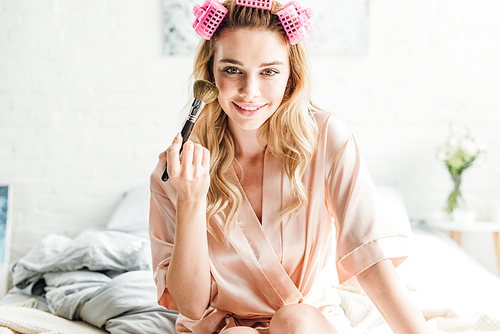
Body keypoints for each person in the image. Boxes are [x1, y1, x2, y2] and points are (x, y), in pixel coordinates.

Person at [149, 1, 431, 333]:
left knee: (292, 319)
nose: (249, 92)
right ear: (211, 73)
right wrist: (191, 199)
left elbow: (371, 263)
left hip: (304, 322)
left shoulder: (327, 139)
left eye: (268, 71)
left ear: (290, 76)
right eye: (232, 69)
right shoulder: (178, 169)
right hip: (220, 326)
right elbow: (192, 306)